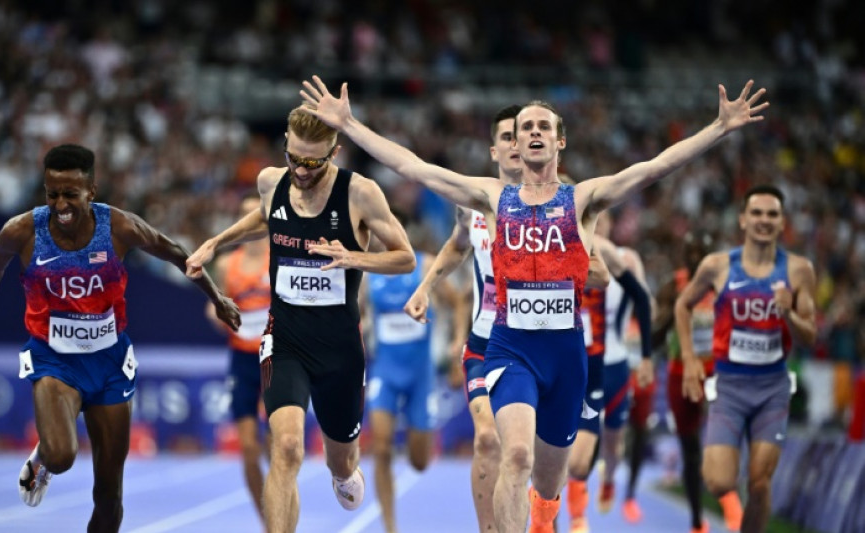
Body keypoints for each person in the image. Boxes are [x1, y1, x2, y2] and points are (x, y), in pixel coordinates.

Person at [300, 75, 768, 532]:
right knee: (516, 455)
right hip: (511, 348)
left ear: (560, 142)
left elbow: (654, 168)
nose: (535, 133)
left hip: (566, 355)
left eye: (545, 126)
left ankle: (544, 514)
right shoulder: (491, 197)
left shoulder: (583, 199)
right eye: (526, 128)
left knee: (548, 481)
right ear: (516, 146)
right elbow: (415, 168)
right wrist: (350, 126)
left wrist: (718, 129)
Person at [0, 144, 241, 532]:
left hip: (109, 364)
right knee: (61, 456)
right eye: (52, 194)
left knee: (109, 497)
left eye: (71, 194)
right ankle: (43, 459)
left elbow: (175, 253)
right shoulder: (22, 232)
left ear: (92, 191)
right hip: (54, 359)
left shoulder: (119, 227)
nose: (61, 205)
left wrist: (216, 297)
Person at [185, 106, 416, 533]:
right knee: (286, 447)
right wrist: (216, 243)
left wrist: (353, 257)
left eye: (314, 162)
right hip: (285, 338)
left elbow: (405, 257)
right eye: (295, 158)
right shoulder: (272, 181)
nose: (302, 170)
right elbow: (263, 218)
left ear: (335, 152)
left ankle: (344, 470)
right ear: (286, 147)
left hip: (340, 347)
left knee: (341, 461)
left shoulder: (360, 193)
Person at [402, 104, 522, 532]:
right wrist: (424, 287)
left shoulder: (560, 204)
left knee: (532, 455)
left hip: (538, 346)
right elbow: (457, 246)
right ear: (493, 150)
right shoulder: (473, 203)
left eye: (521, 133)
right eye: (505, 137)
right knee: (488, 439)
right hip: (485, 342)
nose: (515, 143)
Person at [677, 184, 816, 533]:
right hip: (729, 387)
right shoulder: (717, 266)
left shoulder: (799, 270)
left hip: (773, 388)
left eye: (772, 214)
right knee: (719, 481)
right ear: (743, 219)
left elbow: (810, 336)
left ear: (782, 222)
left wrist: (790, 314)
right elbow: (683, 305)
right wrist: (691, 359)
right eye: (757, 213)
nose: (763, 220)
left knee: (759, 482)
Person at [563, 211, 654, 533]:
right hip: (573, 360)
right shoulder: (560, 246)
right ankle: (569, 509)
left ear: (612, 224)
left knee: (613, 442)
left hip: (613, 362)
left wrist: (645, 354)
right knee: (568, 442)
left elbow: (644, 301)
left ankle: (609, 479)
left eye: (602, 220)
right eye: (591, 219)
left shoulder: (624, 257)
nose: (597, 226)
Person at [650, 229, 743, 533]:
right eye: (691, 254)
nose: (696, 260)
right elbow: (652, 338)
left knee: (721, 440)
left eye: (701, 255)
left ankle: (729, 500)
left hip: (717, 373)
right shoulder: (673, 286)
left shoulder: (725, 287)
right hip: (681, 374)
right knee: (690, 448)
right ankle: (695, 521)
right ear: (684, 256)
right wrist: (675, 310)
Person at [361, 239, 457, 533]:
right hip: (385, 372)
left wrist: (456, 347)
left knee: (419, 462)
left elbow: (457, 302)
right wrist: (362, 324)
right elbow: (358, 313)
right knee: (381, 446)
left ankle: (417, 452)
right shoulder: (368, 275)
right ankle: (390, 526)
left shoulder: (425, 266)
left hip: (420, 376)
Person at [205, 192, 271, 526]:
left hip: (276, 358)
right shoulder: (225, 264)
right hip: (242, 360)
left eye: (256, 215)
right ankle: (266, 521)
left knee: (279, 447)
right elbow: (213, 305)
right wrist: (219, 314)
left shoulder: (280, 258)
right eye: (244, 215)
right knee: (248, 448)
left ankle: (281, 510)